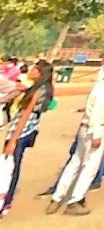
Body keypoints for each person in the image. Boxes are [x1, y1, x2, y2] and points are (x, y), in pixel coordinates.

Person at [47, 60, 104, 216]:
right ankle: (75, 201)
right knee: (89, 167)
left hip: (86, 128)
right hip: (95, 129)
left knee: (75, 163)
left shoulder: (102, 86)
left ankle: (57, 198)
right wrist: (97, 134)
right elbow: (97, 111)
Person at [2, 60, 53, 218]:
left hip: (20, 132)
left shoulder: (37, 90)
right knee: (12, 166)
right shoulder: (41, 88)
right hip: (27, 131)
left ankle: (5, 202)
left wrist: (13, 140)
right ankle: (6, 200)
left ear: (40, 73)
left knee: (10, 167)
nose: (30, 71)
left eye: (34, 70)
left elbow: (25, 116)